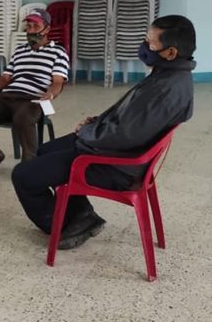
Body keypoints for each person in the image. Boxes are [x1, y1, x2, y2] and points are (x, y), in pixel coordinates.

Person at [12, 15, 196, 250]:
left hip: (116, 165)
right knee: (44, 151)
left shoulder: (166, 88)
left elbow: (125, 135)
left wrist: (88, 131)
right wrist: (98, 122)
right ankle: (82, 213)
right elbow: (131, 119)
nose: (144, 47)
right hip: (116, 150)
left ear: (170, 52)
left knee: (23, 176)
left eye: (150, 43)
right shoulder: (169, 75)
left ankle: (63, 225)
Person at [0, 8, 69, 177]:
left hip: (33, 100)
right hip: (8, 96)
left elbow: (58, 82)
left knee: (23, 116)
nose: (31, 31)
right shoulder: (20, 50)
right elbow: (5, 79)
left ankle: (28, 166)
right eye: (29, 26)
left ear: (47, 29)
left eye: (36, 26)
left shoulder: (58, 52)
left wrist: (51, 93)